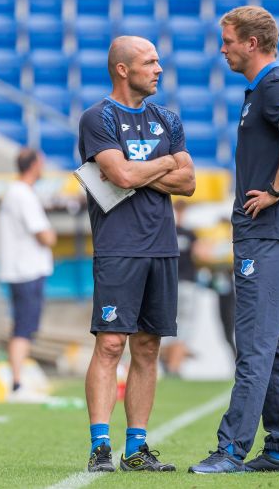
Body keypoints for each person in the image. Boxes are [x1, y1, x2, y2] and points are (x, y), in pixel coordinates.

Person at [189, 6, 279, 474]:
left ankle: (232, 449)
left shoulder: (275, 86)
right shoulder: (263, 90)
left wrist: (277, 190)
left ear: (252, 43)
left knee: (255, 341)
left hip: (267, 235)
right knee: (276, 340)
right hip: (268, 235)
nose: (223, 48)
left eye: (228, 40)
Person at [79, 35, 195, 473]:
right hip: (118, 247)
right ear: (123, 69)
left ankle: (137, 449)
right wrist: (165, 164)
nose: (159, 69)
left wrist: (144, 171)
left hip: (162, 247)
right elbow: (122, 175)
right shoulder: (98, 118)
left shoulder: (168, 118)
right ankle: (100, 446)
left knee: (147, 348)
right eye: (150, 62)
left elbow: (188, 183)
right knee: (110, 344)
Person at [0, 148, 57, 400]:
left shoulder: (16, 193)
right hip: (26, 270)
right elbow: (44, 235)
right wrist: (50, 235)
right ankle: (17, 384)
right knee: (23, 327)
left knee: (25, 326)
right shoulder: (22, 194)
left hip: (21, 269)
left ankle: (19, 381)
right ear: (32, 165)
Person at [160, 199, 211, 375]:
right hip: (182, 284)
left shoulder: (167, 232)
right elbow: (203, 255)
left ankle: (171, 366)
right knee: (182, 326)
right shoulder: (189, 234)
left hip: (171, 285)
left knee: (170, 326)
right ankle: (174, 367)